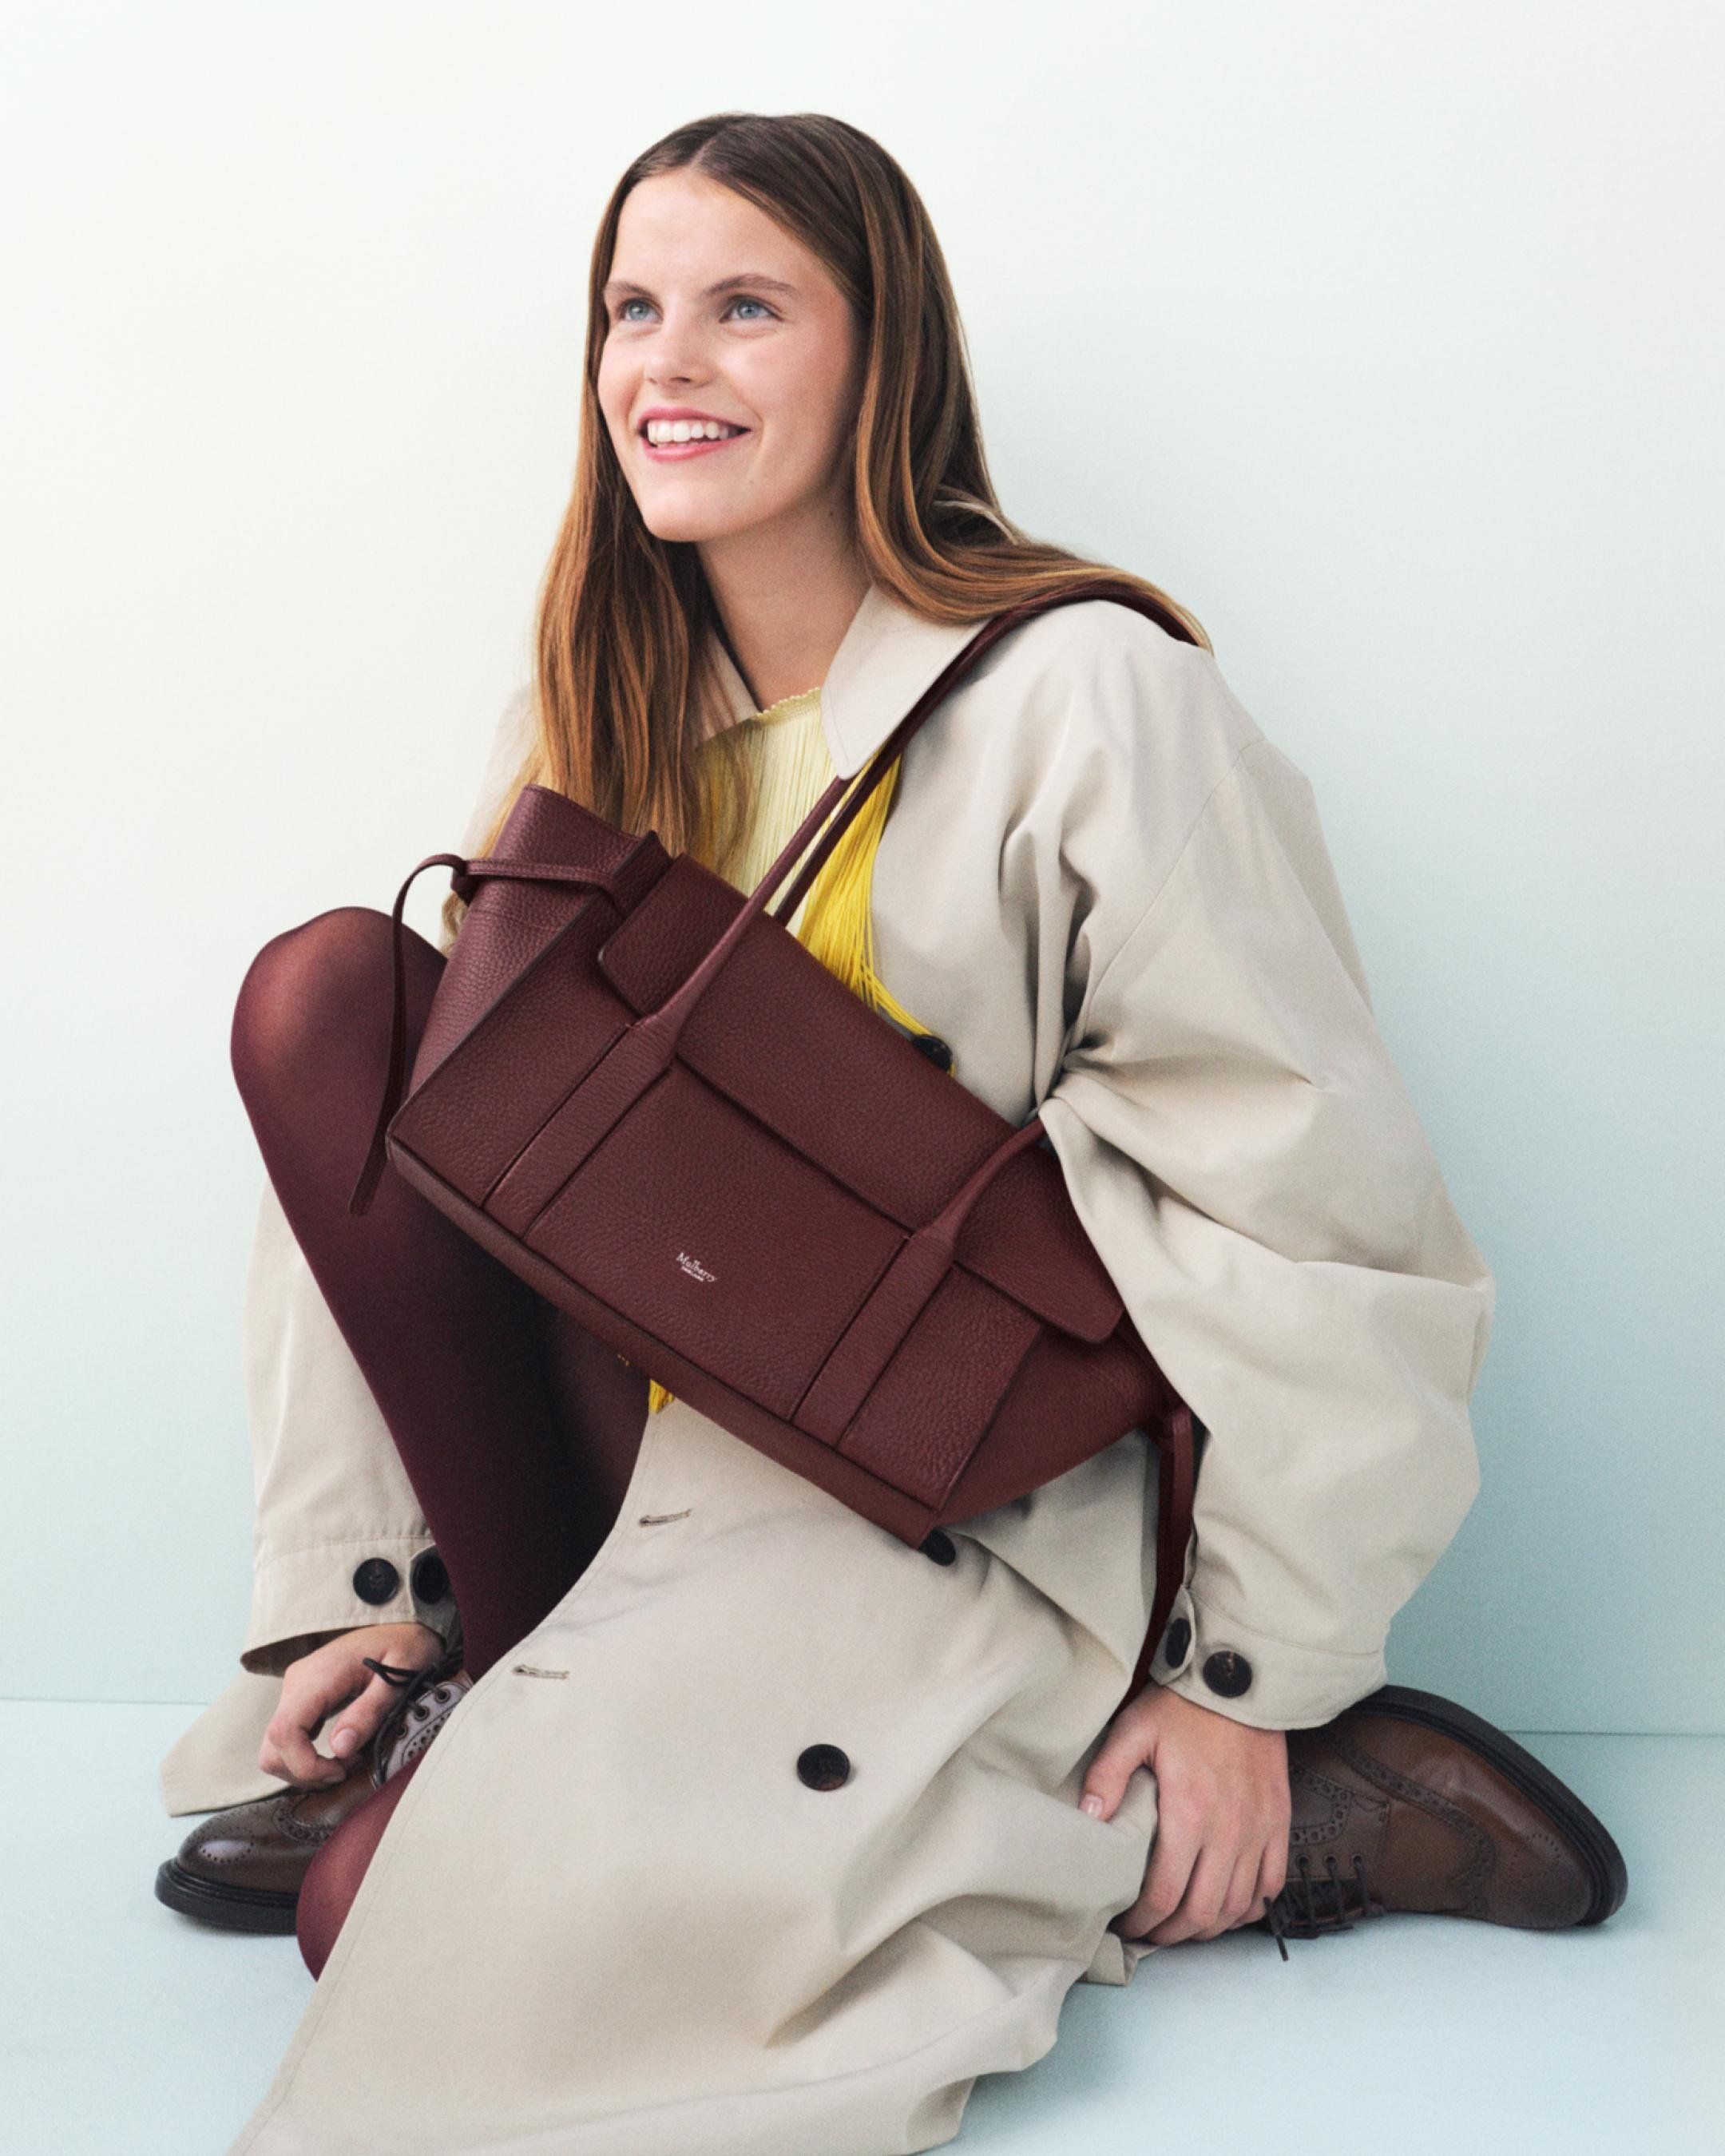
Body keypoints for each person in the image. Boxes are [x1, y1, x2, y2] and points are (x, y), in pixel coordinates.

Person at [154, 111, 1625, 2156]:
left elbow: (1309, 1204)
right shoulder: (601, 727)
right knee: (334, 996)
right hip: (642, 1450)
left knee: (355, 1922)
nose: (667, 365)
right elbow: (431, 1159)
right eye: (631, 312)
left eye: (745, 308)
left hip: (939, 1484)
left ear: (881, 356)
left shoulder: (1090, 697)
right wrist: (367, 1591)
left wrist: (1239, 1679)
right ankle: (480, 1691)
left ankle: (1237, 1817)